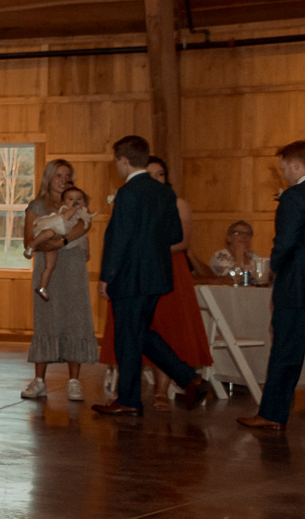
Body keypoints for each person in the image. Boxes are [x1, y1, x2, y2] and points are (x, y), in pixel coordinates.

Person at [92, 135, 211, 416]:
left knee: (127, 338)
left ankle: (130, 400)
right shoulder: (164, 193)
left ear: (123, 160)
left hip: (129, 277)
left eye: (116, 162)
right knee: (140, 334)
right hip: (157, 276)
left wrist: (106, 276)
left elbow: (118, 239)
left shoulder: (128, 192)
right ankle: (187, 378)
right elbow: (175, 235)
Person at [239, 141, 305, 431]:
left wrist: (273, 268)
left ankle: (272, 414)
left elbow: (286, 242)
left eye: (283, 169)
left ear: (296, 166)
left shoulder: (294, 197)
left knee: (286, 352)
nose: (283, 176)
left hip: (297, 285)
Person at [21, 159, 97, 401]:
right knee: (45, 319)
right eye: (58, 175)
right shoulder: (37, 205)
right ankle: (39, 380)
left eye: (68, 175)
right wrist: (54, 243)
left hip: (73, 266)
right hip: (46, 265)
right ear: (49, 178)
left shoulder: (78, 201)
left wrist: (60, 242)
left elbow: (84, 228)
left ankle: (74, 381)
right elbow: (28, 241)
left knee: (75, 319)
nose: (64, 180)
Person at [25, 186, 94, 302]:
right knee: (48, 233)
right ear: (63, 202)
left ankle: (42, 287)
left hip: (55, 244)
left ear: (84, 202)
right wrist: (75, 208)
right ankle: (30, 247)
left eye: (79, 199)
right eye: (70, 199)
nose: (75, 201)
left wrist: (87, 252)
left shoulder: (82, 217)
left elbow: (83, 237)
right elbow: (66, 217)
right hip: (54, 229)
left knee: (50, 266)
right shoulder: (64, 209)